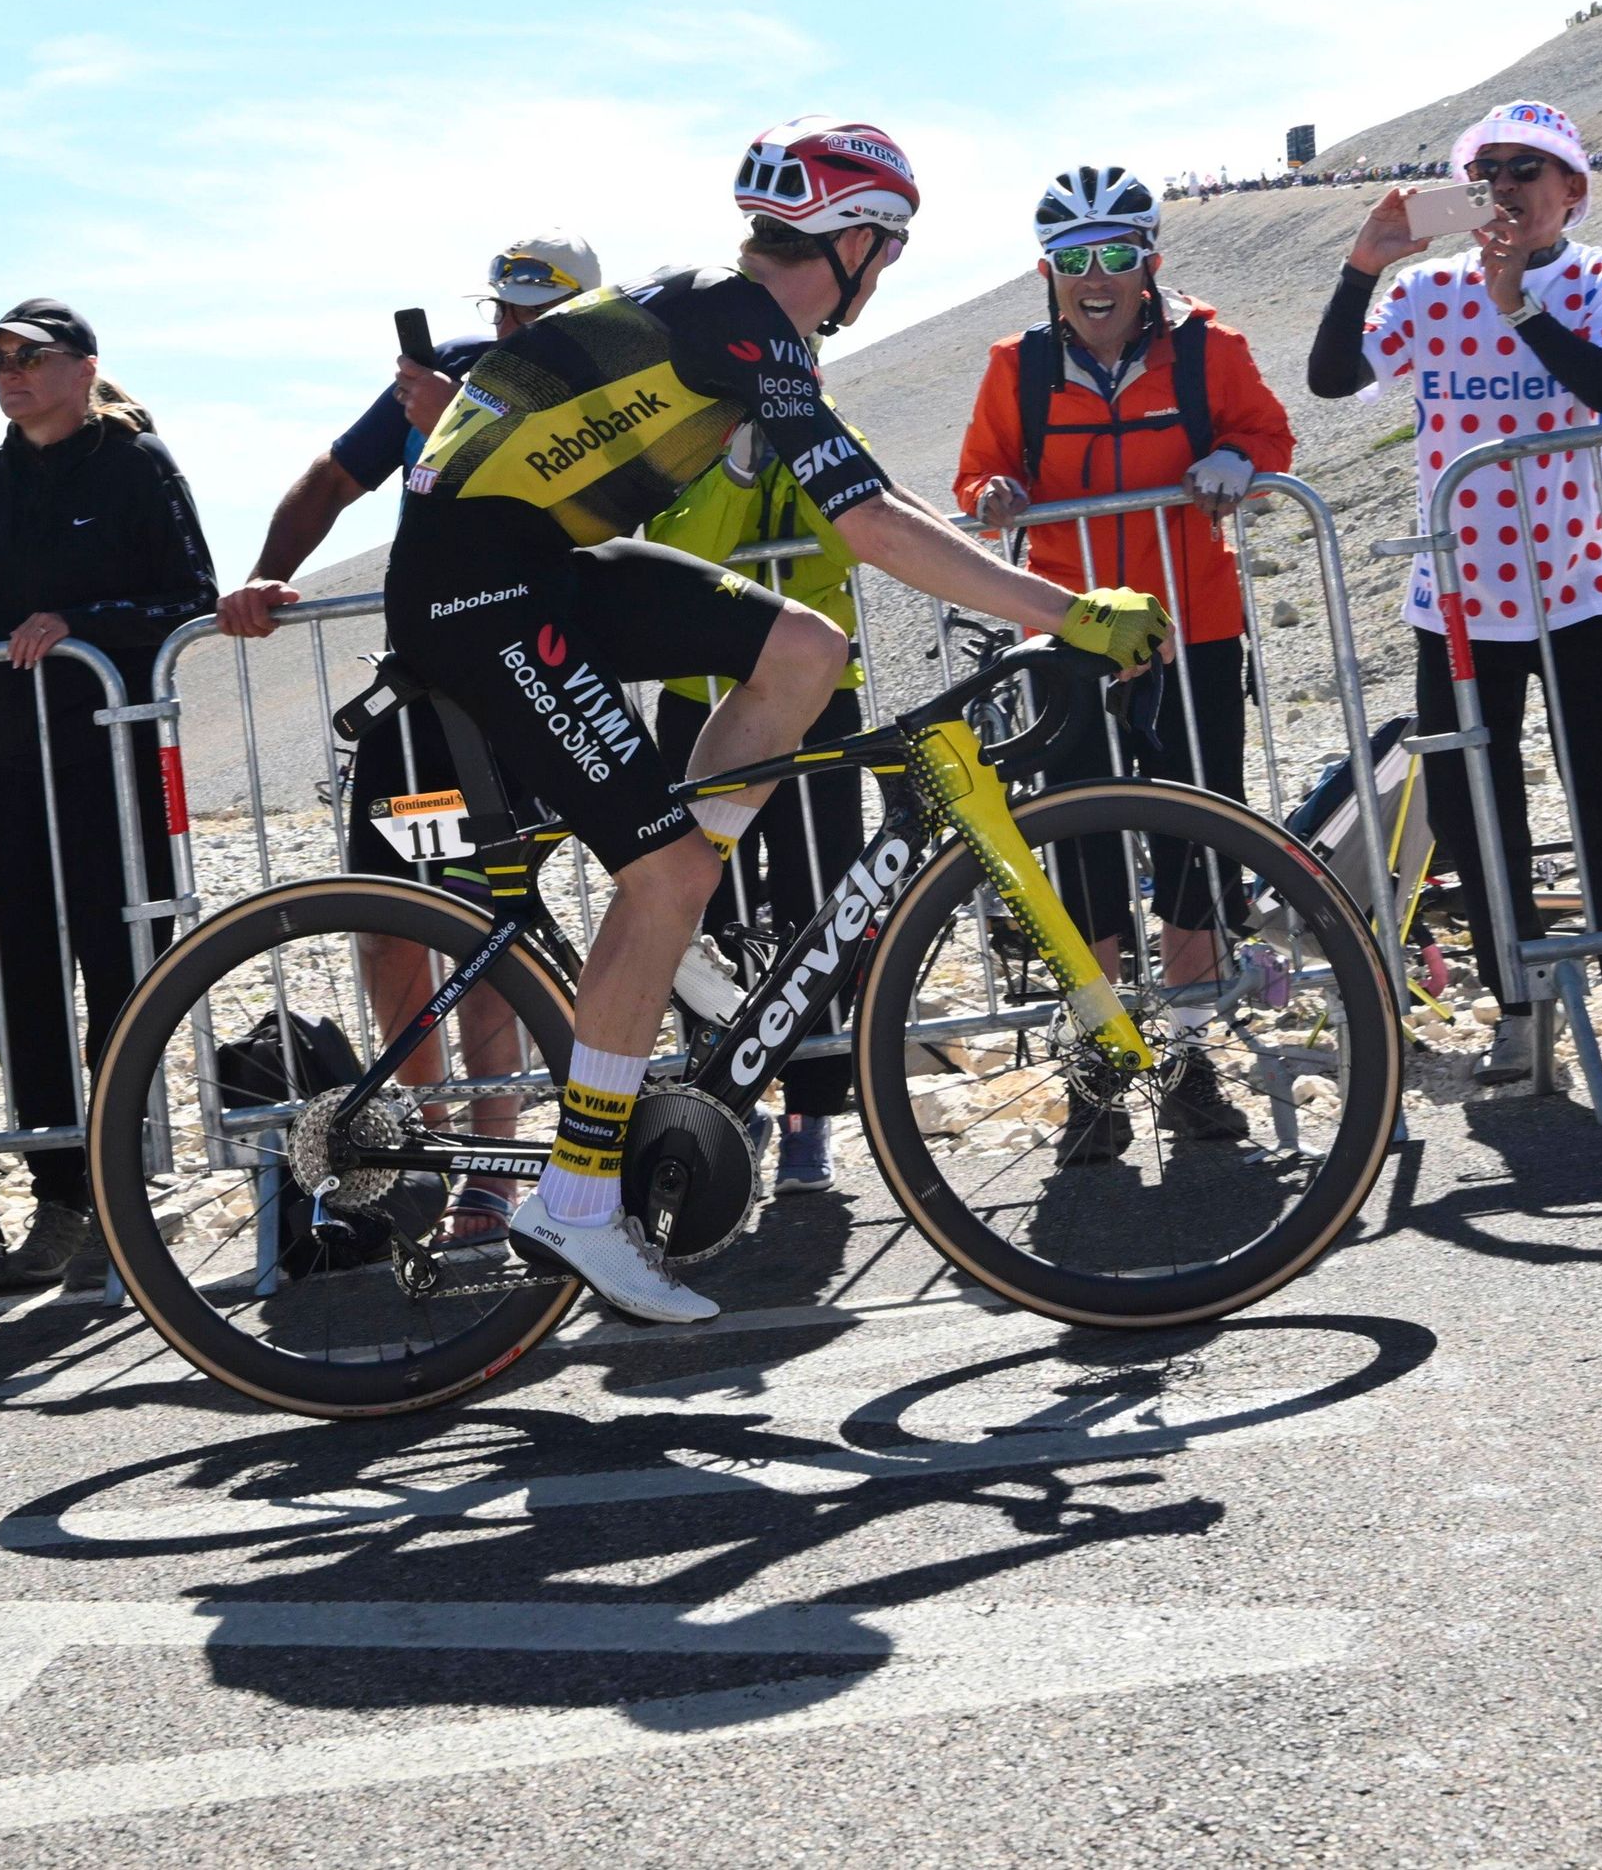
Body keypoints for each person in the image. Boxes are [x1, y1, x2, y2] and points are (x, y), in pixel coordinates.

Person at [388, 121, 1165, 1324]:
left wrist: (1034, 599)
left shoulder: (739, 324)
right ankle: (578, 1197)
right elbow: (870, 534)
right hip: (475, 588)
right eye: (890, 250)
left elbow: (869, 491)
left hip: (538, 560)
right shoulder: (735, 319)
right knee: (662, 877)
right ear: (852, 239)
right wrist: (1063, 610)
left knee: (806, 646)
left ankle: (685, 902)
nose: (887, 270)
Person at [217, 233, 601, 1238]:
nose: (515, 327)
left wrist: (463, 427)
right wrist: (267, 569)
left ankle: (493, 1167)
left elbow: (578, 511)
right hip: (422, 702)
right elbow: (332, 476)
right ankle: (421, 1153)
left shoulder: (602, 383)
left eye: (537, 312)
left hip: (519, 688)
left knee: (485, 922)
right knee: (396, 922)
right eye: (506, 309)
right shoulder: (456, 371)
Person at [1310, 101, 1602, 1084]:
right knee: (1478, 809)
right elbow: (1327, 377)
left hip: (1581, 580)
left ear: (1573, 189)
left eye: (1531, 168)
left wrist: (1517, 299)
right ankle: (1518, 1003)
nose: (1509, 184)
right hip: (1460, 595)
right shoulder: (1429, 289)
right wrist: (1363, 264)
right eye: (1490, 169)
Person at [0, 298, 218, 1291]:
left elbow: (191, 594)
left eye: (31, 356)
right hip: (8, 771)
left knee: (120, 984)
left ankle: (119, 1190)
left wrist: (79, 621)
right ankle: (58, 1200)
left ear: (85, 366)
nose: (11, 373)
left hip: (114, 771)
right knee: (20, 995)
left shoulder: (136, 463)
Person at [951, 166, 1293, 989]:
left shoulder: (1212, 348)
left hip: (1193, 625)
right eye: (1074, 261)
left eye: (1114, 255)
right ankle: (1100, 1047)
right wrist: (995, 497)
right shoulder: (1017, 367)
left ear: (1151, 263)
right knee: (1081, 839)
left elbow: (1269, 433)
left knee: (1200, 828)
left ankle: (1190, 1038)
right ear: (1047, 275)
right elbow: (978, 475)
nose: (1094, 279)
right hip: (1070, 629)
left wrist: (1237, 455)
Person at [642, 427, 865, 1191]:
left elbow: (844, 542)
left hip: (817, 701)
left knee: (822, 907)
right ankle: (724, 1107)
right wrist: (734, 466)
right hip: (698, 708)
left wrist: (797, 443)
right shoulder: (682, 442)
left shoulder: (832, 434)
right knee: (700, 915)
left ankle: (812, 1116)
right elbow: (684, 552)